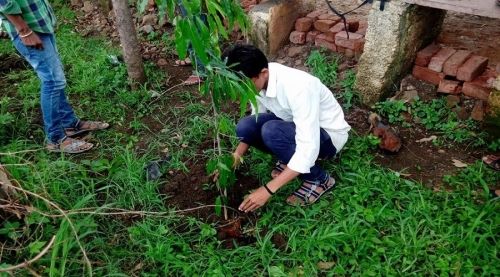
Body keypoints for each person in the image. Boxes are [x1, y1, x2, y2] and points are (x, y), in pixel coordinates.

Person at [221, 44, 351, 213]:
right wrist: (236, 156)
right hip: (295, 125)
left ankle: (319, 180)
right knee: (246, 126)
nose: (239, 91)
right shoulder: (260, 79)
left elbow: (308, 146)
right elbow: (257, 116)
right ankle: (289, 157)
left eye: (243, 85)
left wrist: (268, 189)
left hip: (327, 137)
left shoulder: (299, 88)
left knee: (271, 131)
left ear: (263, 73)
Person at [0, 0, 108, 153]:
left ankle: (69, 124)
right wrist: (24, 30)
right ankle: (55, 139)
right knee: (52, 81)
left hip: (38, 26)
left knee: (55, 79)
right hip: (29, 30)